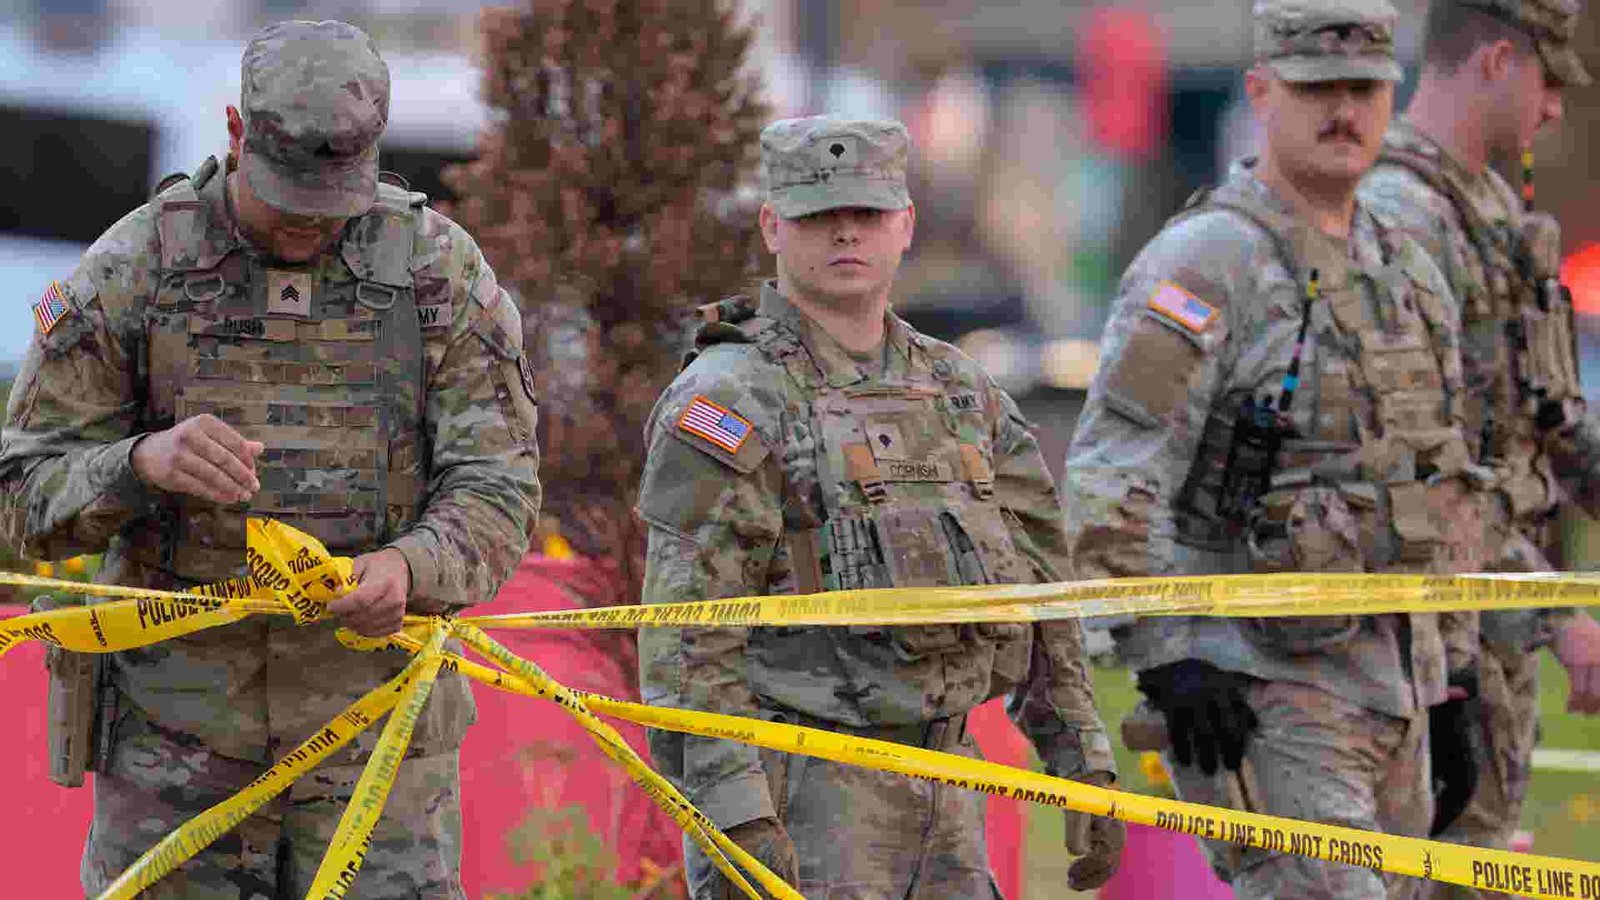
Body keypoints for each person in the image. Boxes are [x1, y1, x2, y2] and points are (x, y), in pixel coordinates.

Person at [0, 20, 541, 898]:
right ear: (235, 131)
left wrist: (411, 565)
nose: (308, 222)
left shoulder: (438, 274)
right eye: (289, 193)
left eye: (334, 196)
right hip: (177, 755)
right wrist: (139, 466)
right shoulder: (136, 270)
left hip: (376, 755)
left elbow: (500, 486)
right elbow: (18, 496)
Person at [1063, 0, 1501, 897]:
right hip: (1264, 688)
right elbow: (1117, 466)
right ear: (1262, 94)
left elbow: (1440, 479)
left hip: (1398, 692)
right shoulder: (1206, 262)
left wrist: (1453, 672)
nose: (1342, 111)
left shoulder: (1407, 269)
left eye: (1363, 89)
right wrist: (1167, 657)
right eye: (1315, 90)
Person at [635, 115, 1123, 899]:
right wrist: (735, 817)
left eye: (864, 214)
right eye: (818, 217)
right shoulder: (731, 397)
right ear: (772, 227)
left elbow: (1040, 590)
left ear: (905, 226)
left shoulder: (964, 391)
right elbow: (688, 636)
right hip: (803, 790)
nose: (844, 235)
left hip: (947, 785)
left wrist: (1081, 757)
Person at [1358, 0, 1600, 887]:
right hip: (1406, 656)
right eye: (1548, 81)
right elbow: (1415, 473)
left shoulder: (1493, 213)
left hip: (1485, 638)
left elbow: (1549, 423)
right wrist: (1556, 614)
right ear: (1497, 61)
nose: (1554, 110)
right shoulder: (1395, 222)